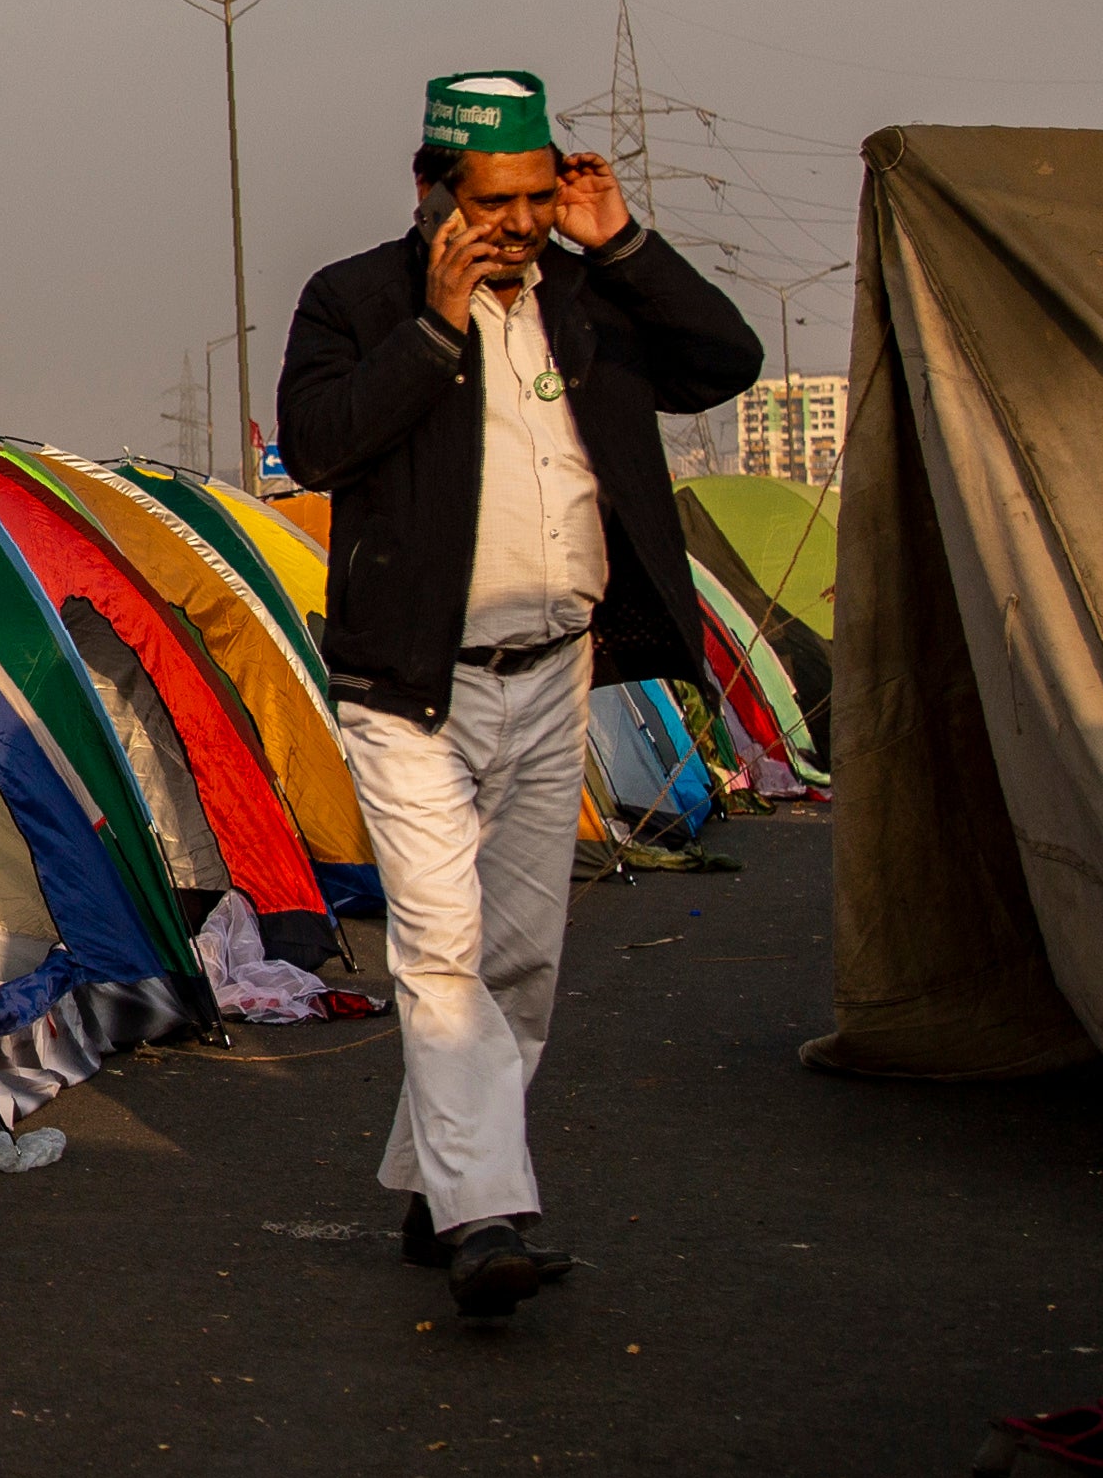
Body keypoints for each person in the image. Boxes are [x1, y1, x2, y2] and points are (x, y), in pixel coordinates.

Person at [276, 72, 762, 1318]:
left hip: (554, 670)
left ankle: (440, 1185)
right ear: (433, 189)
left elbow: (725, 361)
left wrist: (626, 239)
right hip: (412, 685)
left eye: (541, 197)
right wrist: (433, 329)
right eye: (497, 200)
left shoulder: (588, 293)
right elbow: (320, 441)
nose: (520, 224)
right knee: (439, 951)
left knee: (521, 959)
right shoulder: (356, 299)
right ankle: (485, 1215)